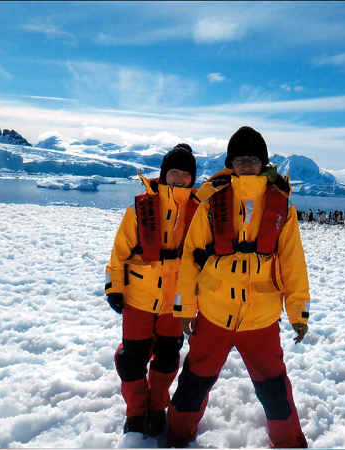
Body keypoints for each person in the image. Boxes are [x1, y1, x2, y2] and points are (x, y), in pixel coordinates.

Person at [167, 126, 311, 448]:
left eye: (253, 159)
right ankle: (175, 438)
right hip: (214, 314)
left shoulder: (283, 209)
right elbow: (190, 258)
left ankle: (288, 443)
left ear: (264, 164)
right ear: (230, 164)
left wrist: (298, 312)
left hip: (261, 319)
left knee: (274, 391)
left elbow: (293, 265)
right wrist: (184, 308)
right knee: (192, 384)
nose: (246, 165)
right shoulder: (212, 203)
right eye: (240, 159)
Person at [105, 144, 200, 436]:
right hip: (138, 297)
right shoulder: (140, 207)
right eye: (174, 172)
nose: (179, 178)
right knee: (132, 359)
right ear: (163, 174)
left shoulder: (199, 210)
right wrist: (114, 287)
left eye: (186, 174)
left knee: (167, 358)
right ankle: (135, 413)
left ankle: (157, 407)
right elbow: (120, 251)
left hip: (175, 301)